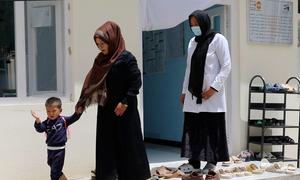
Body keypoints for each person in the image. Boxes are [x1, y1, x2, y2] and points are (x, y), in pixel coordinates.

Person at [75, 21, 150, 180]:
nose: (101, 47)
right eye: (98, 44)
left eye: (103, 43)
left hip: (124, 109)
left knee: (128, 144)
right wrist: (83, 102)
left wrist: (125, 101)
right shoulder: (100, 60)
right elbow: (92, 82)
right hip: (106, 110)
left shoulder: (126, 57)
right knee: (107, 145)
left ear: (113, 39)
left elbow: (136, 82)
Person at [180, 10, 231, 173]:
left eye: (196, 24)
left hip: (211, 96)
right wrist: (183, 91)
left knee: (211, 128)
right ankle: (193, 162)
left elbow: (226, 66)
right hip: (193, 94)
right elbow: (189, 69)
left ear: (204, 22)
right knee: (193, 128)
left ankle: (212, 161)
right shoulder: (192, 42)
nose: (194, 27)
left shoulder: (218, 39)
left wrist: (214, 88)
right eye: (191, 25)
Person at [31, 97, 83, 180]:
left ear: (60, 110)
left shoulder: (64, 120)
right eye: (48, 111)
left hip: (60, 151)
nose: (51, 113)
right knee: (53, 167)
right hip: (50, 150)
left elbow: (74, 118)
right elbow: (40, 129)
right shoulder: (47, 122)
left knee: (54, 172)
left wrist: (78, 113)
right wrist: (37, 120)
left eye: (54, 111)